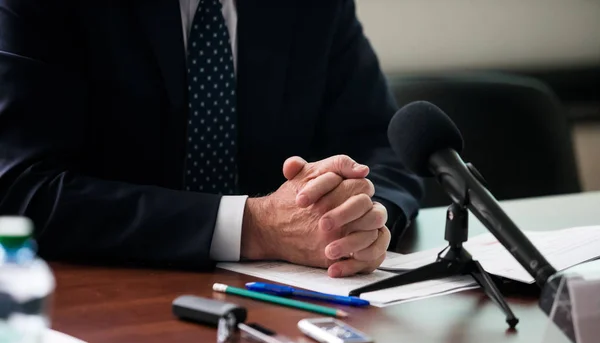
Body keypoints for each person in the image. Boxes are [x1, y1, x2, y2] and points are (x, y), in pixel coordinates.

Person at [0, 0, 423, 277]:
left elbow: (383, 145)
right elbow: (22, 187)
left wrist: (360, 221)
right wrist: (253, 227)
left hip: (283, 305)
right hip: (99, 304)